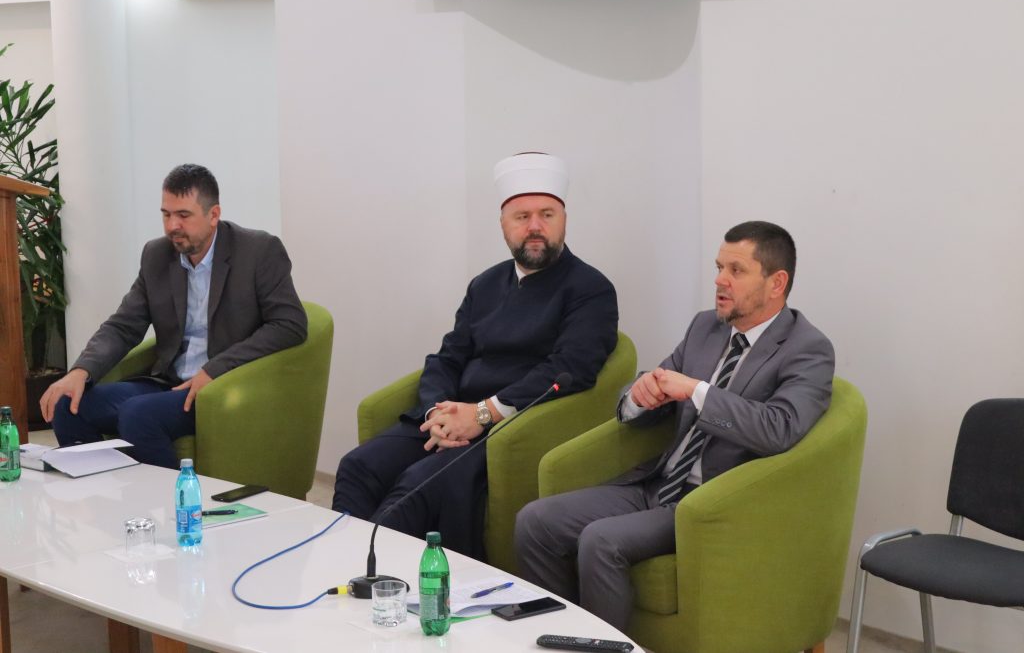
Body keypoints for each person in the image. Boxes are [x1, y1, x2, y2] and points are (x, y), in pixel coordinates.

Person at [514, 220, 835, 631]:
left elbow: (780, 429)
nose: (719, 280)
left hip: (711, 502)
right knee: (535, 521)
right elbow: (658, 383)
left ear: (777, 283)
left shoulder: (807, 348)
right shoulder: (705, 327)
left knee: (601, 540)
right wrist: (639, 395)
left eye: (736, 271)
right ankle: (559, 637)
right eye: (719, 267)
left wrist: (697, 391)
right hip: (657, 484)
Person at [332, 152, 619, 559]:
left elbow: (570, 369)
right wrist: (438, 413)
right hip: (454, 416)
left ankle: (376, 581)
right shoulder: (485, 284)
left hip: (509, 428)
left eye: (546, 215)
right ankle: (344, 570)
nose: (535, 227)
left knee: (413, 489)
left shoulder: (590, 289)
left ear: (564, 220)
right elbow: (448, 357)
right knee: (358, 466)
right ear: (503, 225)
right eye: (522, 217)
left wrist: (482, 414)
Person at [40, 164, 307, 469]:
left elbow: (290, 324)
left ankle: (174, 498)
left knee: (138, 415)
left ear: (214, 215)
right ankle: (104, 490)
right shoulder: (157, 255)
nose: (171, 226)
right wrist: (80, 371)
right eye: (166, 214)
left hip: (222, 385)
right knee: (67, 405)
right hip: (169, 383)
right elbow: (123, 325)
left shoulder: (258, 251)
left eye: (183, 215)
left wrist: (216, 369)